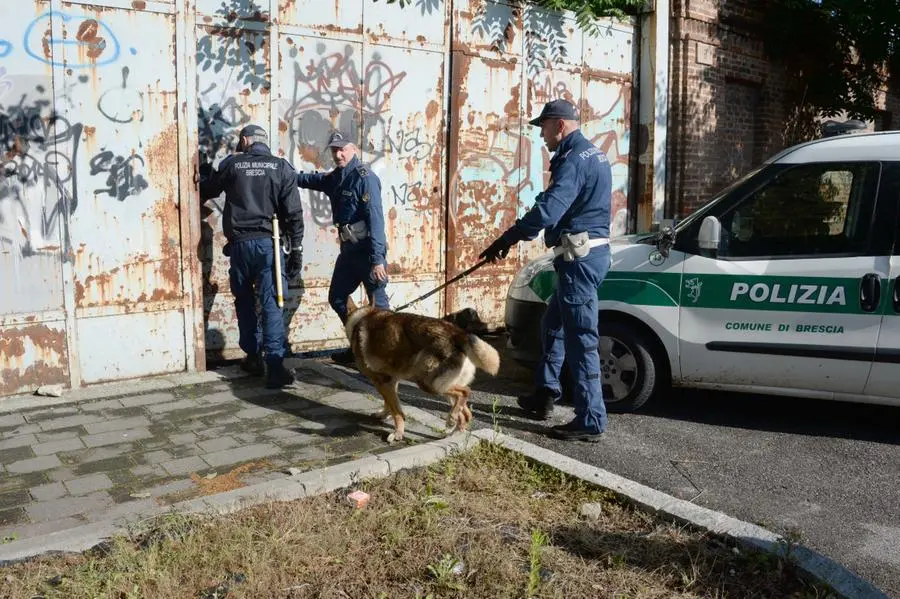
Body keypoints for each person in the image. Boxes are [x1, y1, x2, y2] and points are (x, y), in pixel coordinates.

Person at [478, 99, 612, 442]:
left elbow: (549, 211)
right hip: (583, 257)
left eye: (544, 128)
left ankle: (591, 420)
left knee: (581, 339)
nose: (542, 136)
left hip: (579, 261)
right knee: (553, 324)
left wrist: (507, 237)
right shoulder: (594, 155)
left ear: (560, 125)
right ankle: (544, 394)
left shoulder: (571, 161)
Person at [199, 124, 305, 389]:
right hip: (268, 243)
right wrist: (297, 249)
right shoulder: (281, 167)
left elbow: (208, 189)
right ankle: (276, 366)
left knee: (244, 299)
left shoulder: (233, 165)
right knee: (271, 302)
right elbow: (293, 213)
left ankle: (253, 355)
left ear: (244, 141)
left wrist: (206, 170)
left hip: (239, 246)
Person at [296, 131, 390, 365]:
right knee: (337, 297)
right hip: (349, 252)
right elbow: (313, 181)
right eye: (334, 150)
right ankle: (359, 344)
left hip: (368, 252)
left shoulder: (364, 178)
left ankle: (387, 357)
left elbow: (376, 219)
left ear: (353, 150)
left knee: (380, 308)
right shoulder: (337, 178)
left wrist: (377, 259)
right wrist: (287, 174)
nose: (338, 154)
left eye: (342, 149)